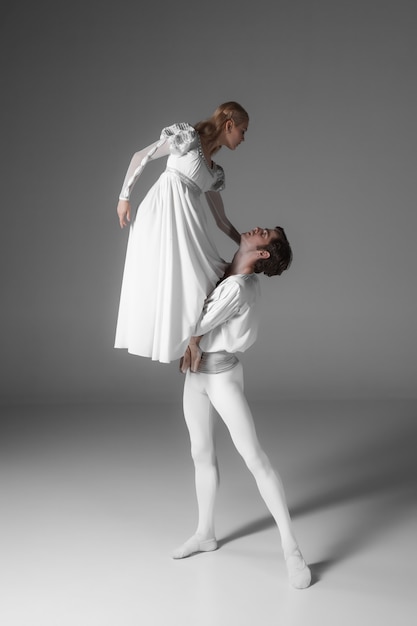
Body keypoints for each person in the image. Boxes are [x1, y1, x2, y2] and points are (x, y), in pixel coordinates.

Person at [173, 226, 312, 590]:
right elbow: (220, 229)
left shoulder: (237, 286)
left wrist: (188, 337)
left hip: (221, 378)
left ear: (263, 253)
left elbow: (196, 323)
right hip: (197, 376)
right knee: (200, 452)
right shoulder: (229, 273)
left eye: (265, 234)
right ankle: (205, 533)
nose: (259, 228)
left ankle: (292, 550)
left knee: (255, 458)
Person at [115, 102, 249, 363]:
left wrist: (243, 244)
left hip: (188, 226)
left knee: (211, 279)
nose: (244, 138)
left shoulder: (214, 173)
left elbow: (221, 220)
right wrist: (124, 196)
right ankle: (185, 345)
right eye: (243, 131)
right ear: (229, 125)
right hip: (161, 216)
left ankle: (193, 343)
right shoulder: (188, 140)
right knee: (170, 280)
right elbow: (140, 156)